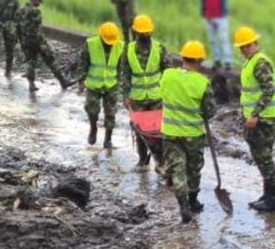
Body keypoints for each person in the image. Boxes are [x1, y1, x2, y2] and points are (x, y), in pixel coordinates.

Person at [159, 40, 215, 223]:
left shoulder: (167, 75)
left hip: (170, 132)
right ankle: (193, 201)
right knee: (193, 168)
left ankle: (183, 205)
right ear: (199, 61)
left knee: (177, 169)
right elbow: (210, 111)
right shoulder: (202, 82)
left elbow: (162, 94)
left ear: (182, 57)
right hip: (193, 135)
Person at [234, 26, 275, 212]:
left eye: (247, 45)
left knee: (264, 159)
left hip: (262, 120)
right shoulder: (251, 62)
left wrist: (255, 114)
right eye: (242, 47)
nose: (244, 49)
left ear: (255, 43)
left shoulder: (260, 63)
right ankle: (268, 195)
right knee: (262, 158)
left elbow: (269, 90)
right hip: (258, 119)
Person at [119, 14, 170, 170]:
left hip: (156, 96)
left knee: (158, 131)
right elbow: (125, 75)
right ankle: (143, 159)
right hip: (137, 97)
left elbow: (168, 72)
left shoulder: (159, 49)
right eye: (142, 32)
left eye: (147, 32)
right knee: (139, 129)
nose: (144, 35)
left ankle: (160, 161)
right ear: (135, 32)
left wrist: (169, 94)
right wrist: (125, 96)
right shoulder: (128, 50)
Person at [76, 22, 124, 148]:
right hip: (94, 85)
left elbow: (120, 66)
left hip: (111, 85)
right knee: (92, 111)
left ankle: (108, 139)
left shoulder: (120, 46)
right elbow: (83, 63)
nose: (109, 44)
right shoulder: (91, 44)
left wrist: (119, 82)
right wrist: (81, 81)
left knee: (111, 113)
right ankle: (93, 128)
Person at [16, 0, 72, 92]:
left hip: (26, 41)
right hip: (36, 41)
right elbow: (37, 29)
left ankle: (31, 84)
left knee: (30, 62)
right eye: (38, 1)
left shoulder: (20, 11)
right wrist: (41, 43)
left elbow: (17, 28)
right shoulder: (35, 11)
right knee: (50, 59)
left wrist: (21, 42)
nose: (39, 4)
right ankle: (63, 82)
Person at [189, 0, 232, 69]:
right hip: (208, 16)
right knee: (212, 40)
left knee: (223, 38)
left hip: (220, 15)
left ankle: (227, 62)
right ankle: (217, 60)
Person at [0, 0, 19, 77]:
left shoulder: (14, 0)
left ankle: (8, 71)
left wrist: (16, 30)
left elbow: (17, 16)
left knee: (10, 49)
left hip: (9, 27)